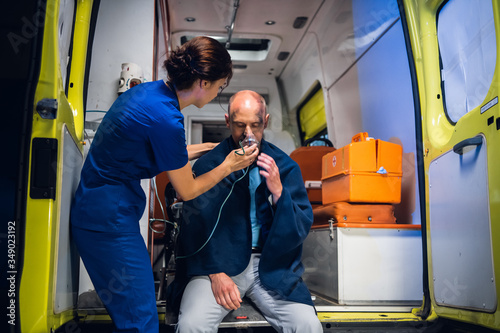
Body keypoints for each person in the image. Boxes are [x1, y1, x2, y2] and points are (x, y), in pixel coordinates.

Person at [70, 37, 258, 333]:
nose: (217, 92)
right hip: (107, 221)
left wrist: (208, 148)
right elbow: (188, 190)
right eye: (220, 86)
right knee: (141, 320)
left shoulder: (153, 93)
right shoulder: (167, 119)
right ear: (204, 82)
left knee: (134, 313)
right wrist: (228, 165)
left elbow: (164, 153)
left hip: (100, 208)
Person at [170, 90, 323, 332]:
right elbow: (193, 229)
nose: (248, 134)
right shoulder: (210, 165)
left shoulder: (285, 167)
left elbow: (300, 226)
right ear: (227, 122)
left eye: (256, 125)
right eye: (240, 125)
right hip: (218, 265)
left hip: (270, 266)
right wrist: (214, 273)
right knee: (192, 324)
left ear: (267, 121)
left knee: (308, 324)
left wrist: (278, 193)